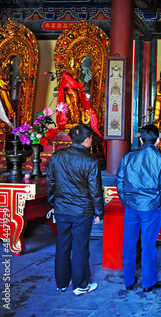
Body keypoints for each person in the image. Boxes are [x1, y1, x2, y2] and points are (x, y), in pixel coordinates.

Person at [47, 124, 104, 296]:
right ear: (87, 139)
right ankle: (80, 285)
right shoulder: (91, 160)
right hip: (82, 211)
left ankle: (62, 283)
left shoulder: (57, 156)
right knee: (80, 247)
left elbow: (51, 182)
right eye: (91, 138)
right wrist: (99, 211)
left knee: (62, 245)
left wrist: (53, 204)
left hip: (62, 209)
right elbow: (95, 190)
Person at [116, 124, 161, 292]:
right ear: (158, 141)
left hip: (131, 206)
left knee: (129, 244)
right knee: (148, 246)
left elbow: (119, 182)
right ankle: (148, 283)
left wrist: (125, 200)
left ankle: (128, 281)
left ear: (140, 139)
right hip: (151, 208)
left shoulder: (128, 157)